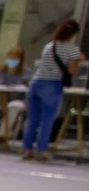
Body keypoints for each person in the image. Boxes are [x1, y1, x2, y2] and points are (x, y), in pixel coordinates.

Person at [22, 19, 82, 162]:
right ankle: (41, 150)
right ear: (73, 34)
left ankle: (26, 149)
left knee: (32, 118)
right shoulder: (73, 49)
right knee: (47, 119)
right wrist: (79, 60)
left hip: (36, 83)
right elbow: (72, 71)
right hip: (52, 84)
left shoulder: (49, 46)